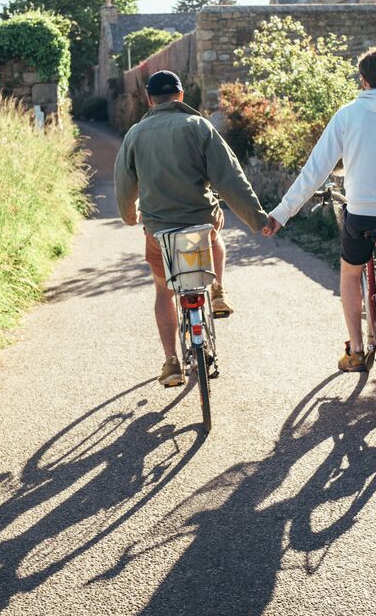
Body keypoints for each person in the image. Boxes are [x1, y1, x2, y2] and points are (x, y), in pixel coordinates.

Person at [262, 47, 376, 372]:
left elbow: (315, 171)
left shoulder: (347, 116)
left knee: (350, 271)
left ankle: (356, 350)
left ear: (362, 80)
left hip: (362, 214)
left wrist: (281, 214)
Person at [115, 70, 269, 387]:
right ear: (181, 96)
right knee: (215, 226)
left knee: (163, 290)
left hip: (160, 232)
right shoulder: (199, 126)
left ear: (149, 99)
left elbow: (124, 185)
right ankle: (217, 290)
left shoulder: (135, 134)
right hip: (200, 224)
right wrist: (257, 219)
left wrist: (131, 217)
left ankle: (172, 362)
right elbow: (230, 177)